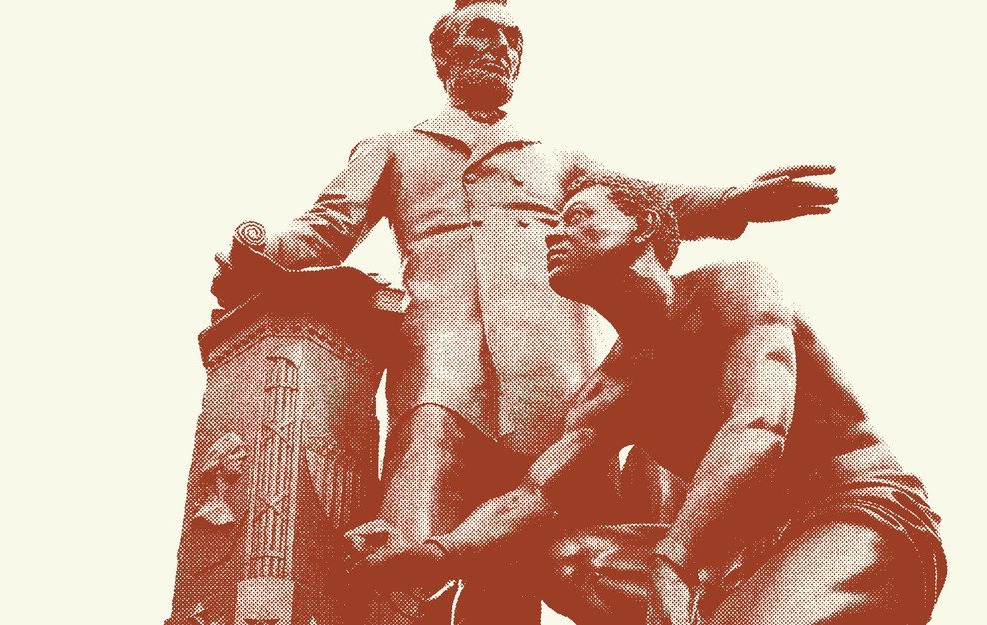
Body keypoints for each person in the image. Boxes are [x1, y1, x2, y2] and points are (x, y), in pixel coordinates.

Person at [213, 1, 839, 621]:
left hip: (557, 376)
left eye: (513, 41)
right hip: (442, 372)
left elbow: (644, 201)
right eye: (483, 34)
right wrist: (260, 251)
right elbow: (327, 228)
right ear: (444, 55)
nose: (500, 50)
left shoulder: (557, 159)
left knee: (578, 559)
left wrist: (734, 201)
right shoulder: (393, 149)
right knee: (407, 551)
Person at [359, 173, 946, 625]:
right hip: (734, 552)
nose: (552, 236)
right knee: (561, 556)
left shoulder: (735, 290)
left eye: (579, 218)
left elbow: (757, 429)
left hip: (855, 514)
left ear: (642, 228)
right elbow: (535, 496)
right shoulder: (615, 384)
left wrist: (674, 559)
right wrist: (436, 553)